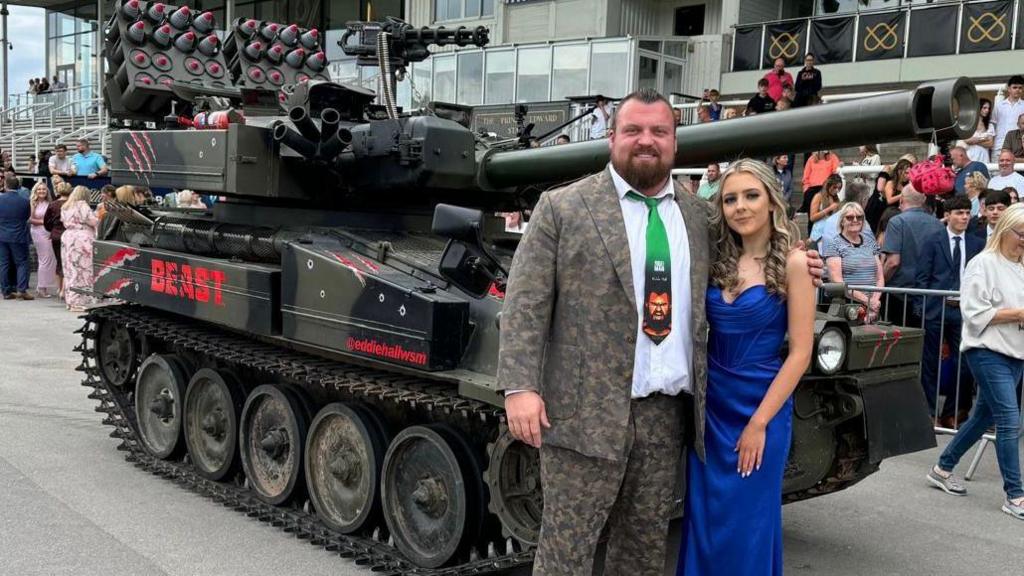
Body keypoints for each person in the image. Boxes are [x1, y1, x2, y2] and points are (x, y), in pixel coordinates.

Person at [498, 88, 822, 576]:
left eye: (659, 131)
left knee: (643, 552)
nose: (645, 141)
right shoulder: (563, 207)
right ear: (612, 138)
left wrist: (802, 261)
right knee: (566, 553)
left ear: (674, 143)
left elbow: (755, 241)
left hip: (665, 414)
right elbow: (525, 304)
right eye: (633, 130)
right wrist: (521, 387)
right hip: (584, 414)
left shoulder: (699, 217)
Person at [678, 159, 814, 575]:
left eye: (751, 195)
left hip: (761, 408)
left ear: (773, 201)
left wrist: (759, 423)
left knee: (749, 523)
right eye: (731, 198)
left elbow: (800, 354)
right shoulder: (716, 261)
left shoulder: (795, 264)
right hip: (711, 410)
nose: (740, 207)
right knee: (705, 520)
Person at [925, 203, 1024, 520]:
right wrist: (1020, 314)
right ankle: (1015, 495)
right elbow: (974, 312)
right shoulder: (983, 264)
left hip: (1015, 351)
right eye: (1022, 233)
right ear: (1006, 230)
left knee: (983, 416)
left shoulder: (1020, 267)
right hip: (985, 349)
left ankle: (943, 468)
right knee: (1009, 420)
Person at [916, 195, 984, 427]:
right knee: (930, 363)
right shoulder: (933, 240)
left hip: (964, 310)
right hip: (936, 310)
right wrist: (922, 309)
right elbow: (922, 276)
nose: (964, 217)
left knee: (964, 363)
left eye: (967, 212)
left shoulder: (976, 244)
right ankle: (928, 412)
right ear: (948, 216)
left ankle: (953, 411)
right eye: (959, 213)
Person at [881, 186, 944, 327]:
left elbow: (893, 262)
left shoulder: (897, 222)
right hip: (928, 293)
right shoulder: (938, 225)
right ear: (923, 200)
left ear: (901, 200)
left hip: (898, 293)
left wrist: (881, 283)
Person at [824, 202, 884, 322]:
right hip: (848, 308)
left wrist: (874, 303)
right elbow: (837, 280)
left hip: (872, 308)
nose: (855, 220)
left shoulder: (870, 242)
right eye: (850, 217)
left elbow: (879, 278)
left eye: (859, 217)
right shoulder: (834, 244)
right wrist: (867, 301)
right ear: (842, 221)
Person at [60, 186, 98, 312]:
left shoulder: (66, 206)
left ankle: (70, 300)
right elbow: (92, 221)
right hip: (81, 239)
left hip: (68, 237)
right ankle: (79, 301)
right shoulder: (82, 205)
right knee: (83, 270)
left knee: (69, 270)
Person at [27, 181, 57, 298]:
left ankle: (42, 286)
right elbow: (30, 219)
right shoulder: (32, 203)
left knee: (50, 259)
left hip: (49, 232)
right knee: (45, 259)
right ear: (35, 191)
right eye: (39, 189)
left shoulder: (49, 203)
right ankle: (42, 288)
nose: (41, 191)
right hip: (38, 232)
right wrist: (44, 223)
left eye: (44, 189)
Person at [44, 181, 72, 300]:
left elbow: (47, 221)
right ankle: (65, 289)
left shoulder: (53, 204)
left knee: (59, 261)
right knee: (68, 262)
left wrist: (53, 229)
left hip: (56, 234)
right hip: (69, 234)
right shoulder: (73, 204)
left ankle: (59, 288)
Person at [991, 75, 1024, 161]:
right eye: (1015, 87)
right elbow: (993, 126)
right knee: (996, 172)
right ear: (1008, 88)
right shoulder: (998, 106)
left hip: (1018, 148)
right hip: (999, 146)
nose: (1017, 90)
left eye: (1020, 88)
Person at [799, 150, 841, 215]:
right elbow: (805, 177)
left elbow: (835, 174)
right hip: (811, 189)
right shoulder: (811, 158)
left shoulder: (833, 157)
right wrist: (806, 190)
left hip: (826, 188)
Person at [809, 174, 842, 241]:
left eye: (839, 188)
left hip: (831, 234)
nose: (837, 190)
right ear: (828, 185)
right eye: (835, 187)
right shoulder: (818, 196)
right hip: (818, 234)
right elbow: (812, 218)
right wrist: (829, 209)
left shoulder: (836, 198)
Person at [966, 98, 996, 163]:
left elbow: (990, 144)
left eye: (988, 108)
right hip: (970, 156)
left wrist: (975, 140)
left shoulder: (990, 125)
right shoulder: (969, 124)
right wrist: (983, 139)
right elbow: (967, 140)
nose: (987, 110)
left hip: (984, 157)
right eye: (984, 108)